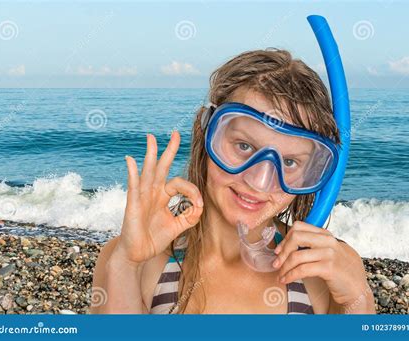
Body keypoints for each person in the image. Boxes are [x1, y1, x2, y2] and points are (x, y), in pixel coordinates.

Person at [91, 48, 376, 314]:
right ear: (207, 131)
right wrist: (126, 266)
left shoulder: (322, 272)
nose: (260, 181)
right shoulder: (137, 260)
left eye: (289, 162)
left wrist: (357, 298)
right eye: (244, 146)